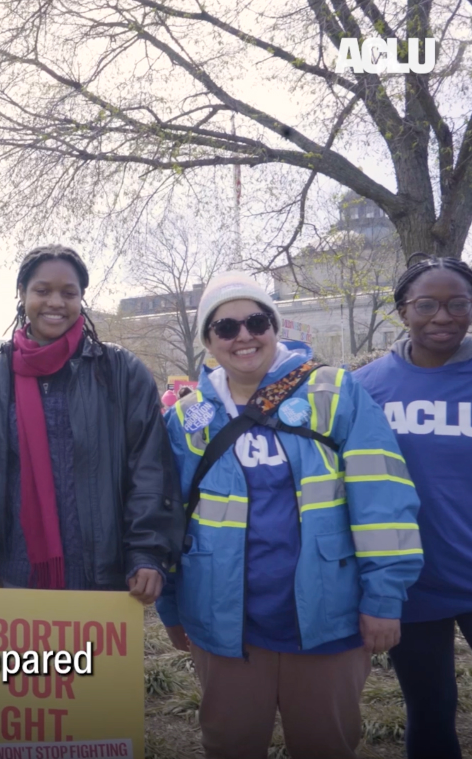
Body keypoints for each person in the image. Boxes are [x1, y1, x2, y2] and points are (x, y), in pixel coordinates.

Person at [157, 272, 423, 759]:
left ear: (275, 327)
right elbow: (167, 519)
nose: (243, 336)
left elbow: (383, 498)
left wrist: (384, 596)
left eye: (257, 321)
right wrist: (171, 608)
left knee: (326, 747)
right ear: (209, 341)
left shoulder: (336, 393)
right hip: (224, 625)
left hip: (329, 619)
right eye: (226, 327)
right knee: (230, 747)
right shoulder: (185, 418)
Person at [0, 246, 179, 603]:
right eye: (42, 291)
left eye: (68, 293)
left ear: (81, 299)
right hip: (19, 576)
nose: (55, 302)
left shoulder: (119, 372)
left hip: (105, 580)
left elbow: (149, 468)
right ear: (22, 294)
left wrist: (146, 552)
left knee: (97, 664)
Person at [353, 255, 472, 758]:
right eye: (426, 304)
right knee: (430, 708)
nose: (442, 316)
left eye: (458, 303)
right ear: (403, 310)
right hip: (410, 583)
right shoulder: (364, 388)